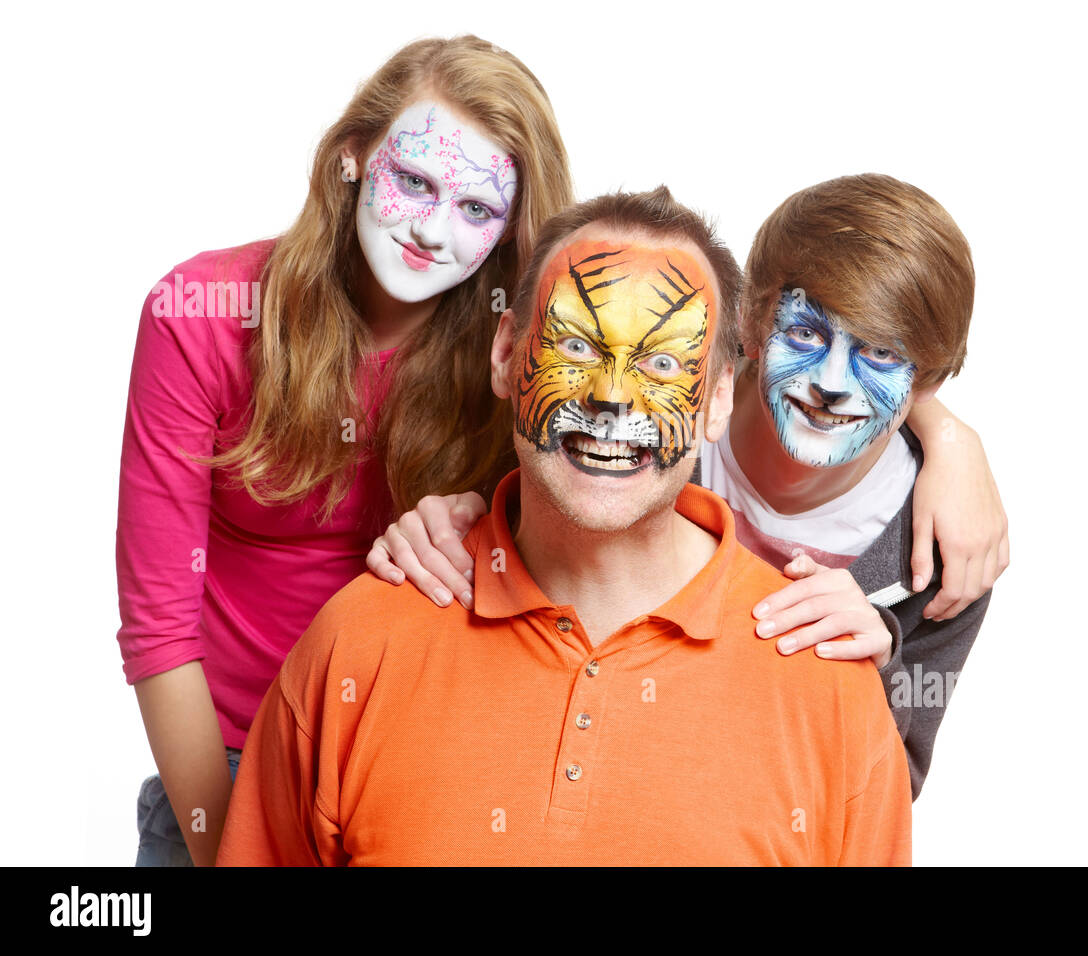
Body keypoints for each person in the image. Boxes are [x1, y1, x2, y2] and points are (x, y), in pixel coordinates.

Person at [216, 188, 912, 866]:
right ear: (505, 356)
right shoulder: (357, 645)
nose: (611, 397)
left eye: (662, 364)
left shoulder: (829, 689)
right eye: (576, 348)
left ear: (719, 397)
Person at [370, 173, 1001, 796]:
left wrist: (866, 673)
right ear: (750, 328)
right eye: (805, 334)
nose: (833, 381)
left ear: (931, 382)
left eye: (883, 355)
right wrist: (450, 521)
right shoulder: (648, 417)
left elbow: (883, 795)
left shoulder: (952, 544)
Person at [118, 35, 573, 866]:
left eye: (476, 209)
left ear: (510, 230)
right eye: (415, 181)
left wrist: (901, 410)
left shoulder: (519, 356)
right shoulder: (200, 315)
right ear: (355, 158)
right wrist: (231, 846)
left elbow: (677, 410)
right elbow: (160, 631)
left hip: (423, 775)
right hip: (222, 773)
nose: (433, 231)